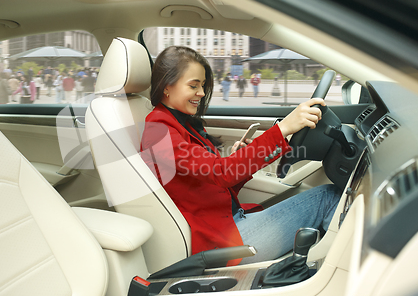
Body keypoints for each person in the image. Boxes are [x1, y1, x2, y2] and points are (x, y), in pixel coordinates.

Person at [140, 46, 341, 265]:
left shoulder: (182, 123)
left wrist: (239, 157)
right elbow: (222, 173)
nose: (201, 93)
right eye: (193, 85)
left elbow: (216, 182)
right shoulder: (158, 128)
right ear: (167, 86)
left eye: (203, 85)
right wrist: (283, 128)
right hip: (223, 241)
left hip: (232, 222)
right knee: (329, 197)